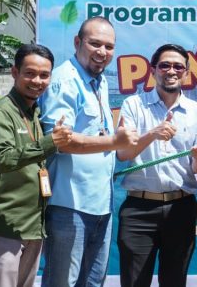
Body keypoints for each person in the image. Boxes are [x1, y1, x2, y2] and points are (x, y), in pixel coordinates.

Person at [38, 17, 140, 287]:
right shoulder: (64, 81)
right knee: (63, 283)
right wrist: (114, 142)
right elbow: (60, 140)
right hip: (68, 205)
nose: (102, 52)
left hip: (100, 205)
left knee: (93, 283)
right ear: (77, 42)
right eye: (95, 44)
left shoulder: (99, 81)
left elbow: (99, 134)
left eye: (109, 46)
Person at [0, 44, 74, 287]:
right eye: (30, 73)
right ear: (15, 73)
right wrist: (50, 142)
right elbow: (4, 159)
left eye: (44, 75)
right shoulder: (1, 113)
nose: (37, 81)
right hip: (1, 227)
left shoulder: (34, 112)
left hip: (32, 227)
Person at [116, 44, 197, 287]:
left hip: (181, 207)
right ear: (153, 70)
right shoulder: (133, 105)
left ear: (186, 72)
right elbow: (123, 153)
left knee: (174, 281)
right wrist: (153, 133)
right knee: (134, 282)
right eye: (165, 65)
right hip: (139, 209)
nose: (171, 71)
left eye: (178, 66)